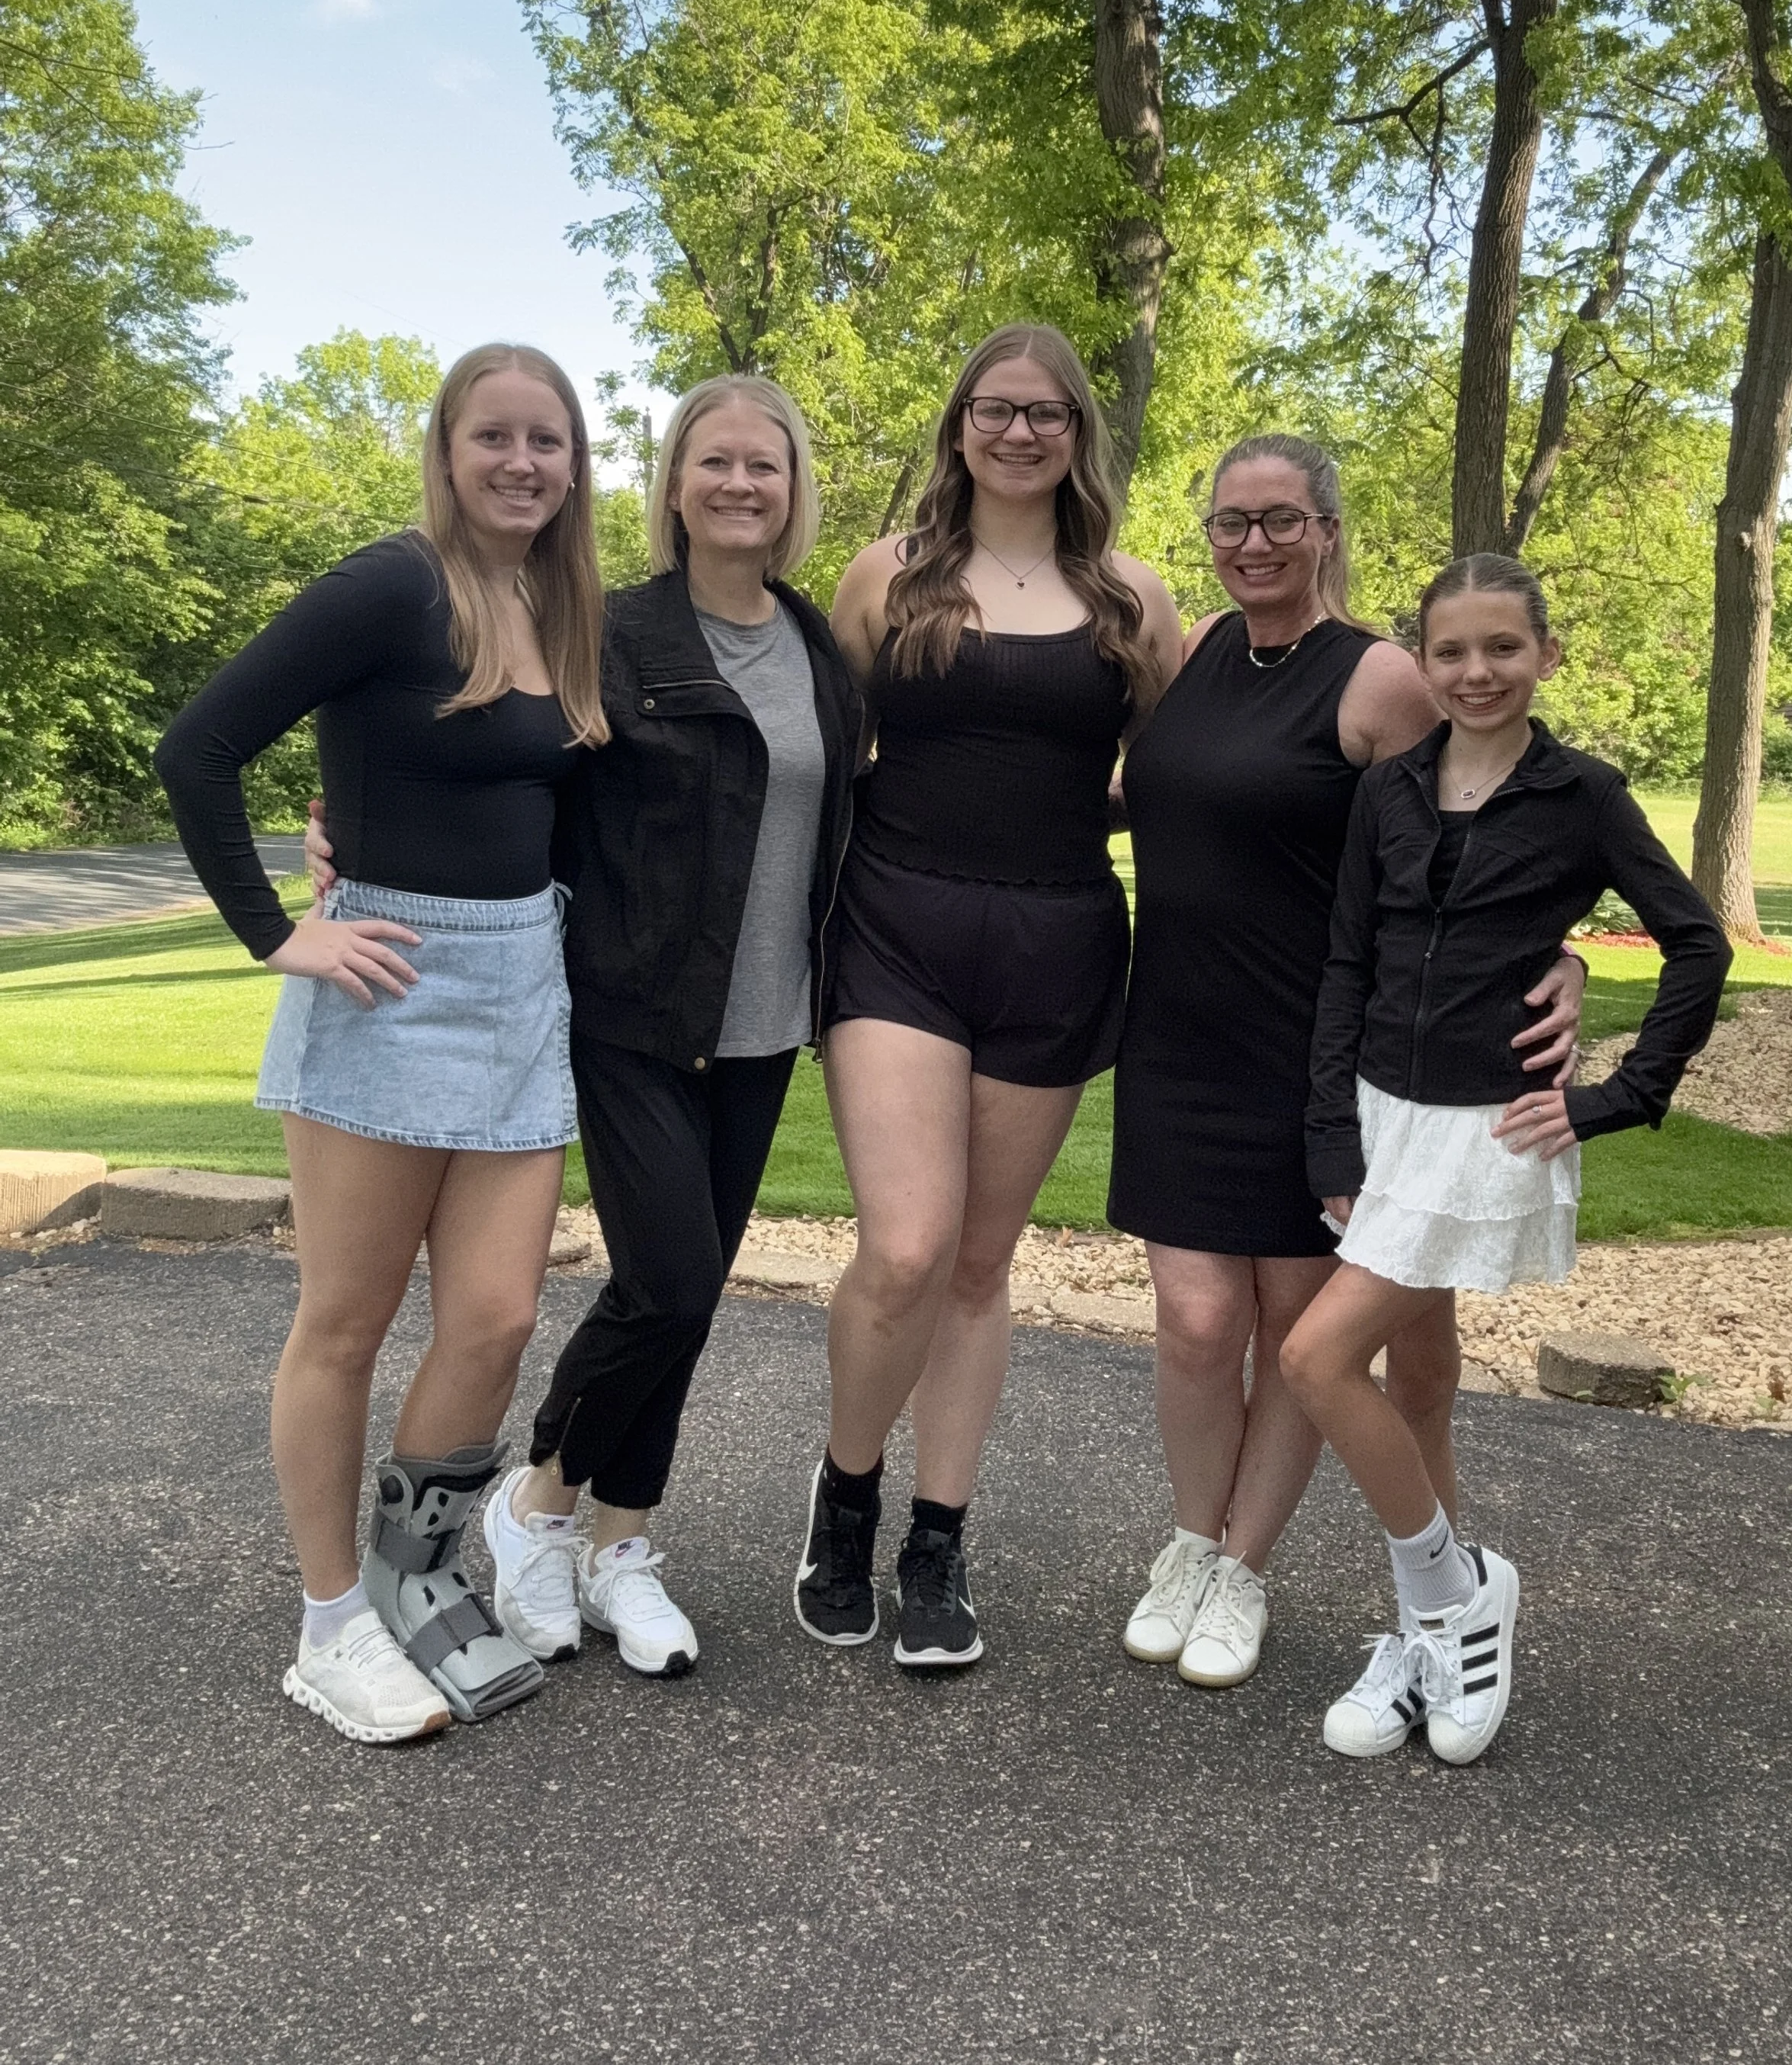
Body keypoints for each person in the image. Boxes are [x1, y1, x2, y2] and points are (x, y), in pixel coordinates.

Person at [156, 342, 608, 1745]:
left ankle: (419, 1584)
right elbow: (201, 745)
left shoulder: (558, 602)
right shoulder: (391, 582)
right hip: (387, 982)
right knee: (344, 1324)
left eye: (549, 440)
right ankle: (330, 1622)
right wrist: (277, 933)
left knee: (495, 1317)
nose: (523, 462)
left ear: (576, 463)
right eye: (496, 437)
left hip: (522, 985)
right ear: (449, 447)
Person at [1107, 437, 1588, 1689]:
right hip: (1175, 1034)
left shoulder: (1381, 676)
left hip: (1308, 1047)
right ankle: (1189, 1543)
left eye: (1280, 520)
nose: (1253, 544)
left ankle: (1245, 1571)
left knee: (1291, 1329)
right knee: (1194, 1321)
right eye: (1231, 523)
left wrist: (1559, 960)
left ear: (1326, 528)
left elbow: (1492, 827)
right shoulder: (1201, 651)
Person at [1283, 551, 1730, 1764]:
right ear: (1420, 663)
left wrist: (1617, 1099)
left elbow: (1697, 946)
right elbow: (1346, 964)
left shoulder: (1584, 796)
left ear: (1547, 656)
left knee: (1317, 1362)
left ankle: (1459, 1600)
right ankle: (1428, 1642)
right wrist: (1331, 1127)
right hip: (1382, 1115)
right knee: (1418, 1378)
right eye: (1451, 652)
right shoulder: (1389, 790)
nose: (1476, 672)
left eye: (1502, 648)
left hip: (1484, 1133)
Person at [795, 323, 1182, 1674]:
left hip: (1059, 939)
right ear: (959, 424)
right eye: (995, 409)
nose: (1020, 433)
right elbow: (808, 753)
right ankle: (847, 1497)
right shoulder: (887, 577)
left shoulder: (1135, 598)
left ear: (1081, 434)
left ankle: (939, 1539)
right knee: (904, 1247)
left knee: (976, 1265)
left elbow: (1193, 783)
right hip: (896, 928)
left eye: (1049, 414)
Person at [480, 377, 860, 1679]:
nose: (741, 484)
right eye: (715, 461)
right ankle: (534, 1507)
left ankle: (621, 1545)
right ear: (675, 483)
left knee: (683, 1304)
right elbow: (512, 772)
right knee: (673, 1282)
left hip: (762, 1028)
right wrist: (347, 837)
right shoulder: (611, 630)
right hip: (635, 1009)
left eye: (766, 464)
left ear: (795, 489)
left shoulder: (820, 649)